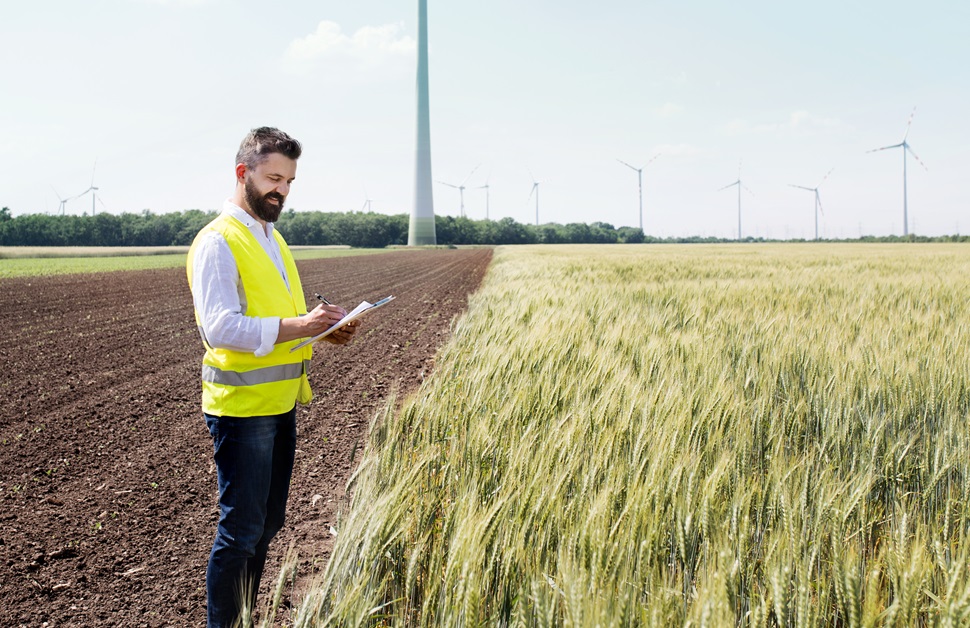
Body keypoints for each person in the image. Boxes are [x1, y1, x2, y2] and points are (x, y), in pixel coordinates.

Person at [186, 127, 358, 627]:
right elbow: (220, 327)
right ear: (244, 174)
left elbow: (279, 319)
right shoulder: (218, 241)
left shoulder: (272, 239)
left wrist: (324, 330)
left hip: (279, 402)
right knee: (241, 531)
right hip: (242, 410)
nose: (282, 190)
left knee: (267, 525)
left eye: (290, 180)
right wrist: (302, 325)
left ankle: (242, 617)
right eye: (273, 178)